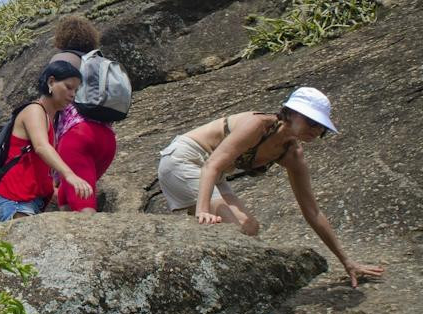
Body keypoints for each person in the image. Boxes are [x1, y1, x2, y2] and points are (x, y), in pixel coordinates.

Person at [157, 87, 385, 289]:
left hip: (212, 172)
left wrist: (347, 261)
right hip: (183, 160)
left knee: (250, 227)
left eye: (321, 127)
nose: (316, 130)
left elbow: (312, 212)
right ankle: (232, 292)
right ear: (291, 113)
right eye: (312, 122)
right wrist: (203, 210)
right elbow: (212, 165)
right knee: (231, 228)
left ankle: (208, 278)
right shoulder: (257, 125)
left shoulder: (292, 154)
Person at [0, 61, 93, 223]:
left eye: (76, 90)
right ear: (51, 82)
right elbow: (41, 147)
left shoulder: (51, 117)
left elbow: (38, 165)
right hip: (12, 201)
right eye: (68, 87)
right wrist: (69, 175)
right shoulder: (34, 111)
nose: (72, 94)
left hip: (31, 201)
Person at [50, 16, 117, 213]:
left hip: (77, 136)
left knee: (83, 207)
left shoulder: (62, 60)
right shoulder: (100, 62)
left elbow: (49, 99)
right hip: (106, 139)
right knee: (65, 196)